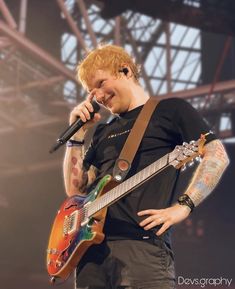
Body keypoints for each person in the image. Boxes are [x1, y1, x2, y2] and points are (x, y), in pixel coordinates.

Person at [63, 44, 229, 289]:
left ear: (126, 71)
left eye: (100, 83)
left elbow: (217, 154)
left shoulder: (170, 110)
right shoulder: (101, 131)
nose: (97, 96)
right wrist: (76, 136)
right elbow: (75, 190)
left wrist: (184, 206)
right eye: (91, 92)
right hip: (90, 254)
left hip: (142, 249)